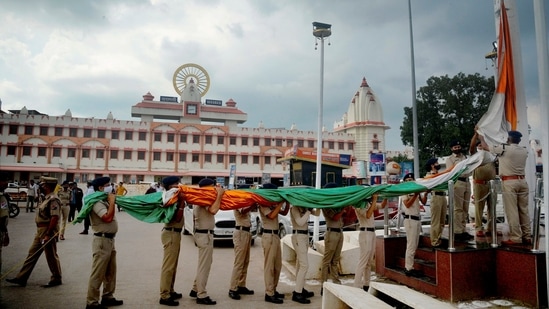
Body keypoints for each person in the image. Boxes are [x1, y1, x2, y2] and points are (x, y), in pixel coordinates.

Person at [6, 176, 62, 288]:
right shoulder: (46, 198)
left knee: (50, 255)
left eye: (42, 184)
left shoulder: (53, 199)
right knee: (32, 253)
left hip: (47, 231)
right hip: (40, 231)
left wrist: (48, 234)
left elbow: (54, 218)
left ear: (47, 186)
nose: (40, 186)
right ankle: (21, 278)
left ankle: (56, 278)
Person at [479, 130, 531, 246]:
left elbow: (485, 147)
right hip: (522, 180)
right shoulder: (524, 150)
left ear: (508, 139)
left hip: (509, 181)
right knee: (524, 210)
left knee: (512, 211)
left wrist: (481, 136)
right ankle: (527, 235)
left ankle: (516, 237)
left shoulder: (504, 148)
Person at [85, 176, 123, 309]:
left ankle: (108, 296)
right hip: (102, 240)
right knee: (98, 272)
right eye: (108, 185)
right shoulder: (97, 202)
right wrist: (112, 202)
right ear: (101, 188)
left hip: (109, 240)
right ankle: (92, 302)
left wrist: (111, 201)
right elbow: (106, 217)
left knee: (110, 271)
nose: (110, 187)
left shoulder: (103, 200)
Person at [189, 178, 225, 305]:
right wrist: (220, 195)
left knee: (203, 264)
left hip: (203, 234)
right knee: (204, 266)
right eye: (213, 186)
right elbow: (213, 210)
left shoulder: (201, 197)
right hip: (204, 235)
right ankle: (201, 294)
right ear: (206, 188)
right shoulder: (203, 197)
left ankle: (195, 289)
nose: (215, 188)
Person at [259, 183, 289, 304]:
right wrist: (280, 204)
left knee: (277, 265)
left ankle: (274, 289)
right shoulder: (263, 203)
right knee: (269, 266)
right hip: (268, 235)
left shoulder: (272, 204)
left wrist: (286, 203)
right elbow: (271, 216)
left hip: (275, 235)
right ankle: (269, 292)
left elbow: (284, 213)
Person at [158, 176, 186, 306]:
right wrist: (181, 204)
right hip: (171, 233)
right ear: (170, 186)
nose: (178, 185)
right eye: (176, 183)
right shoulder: (170, 198)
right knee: (168, 267)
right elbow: (175, 218)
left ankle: (170, 290)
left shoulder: (173, 195)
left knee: (173, 266)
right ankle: (164, 295)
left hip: (175, 234)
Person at [354, 194, 386, 291]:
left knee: (369, 261)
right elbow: (368, 215)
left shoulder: (368, 203)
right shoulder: (359, 205)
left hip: (372, 232)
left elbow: (382, 206)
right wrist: (375, 199)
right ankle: (357, 285)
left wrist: (386, 197)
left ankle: (366, 284)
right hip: (365, 232)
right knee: (363, 260)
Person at [289, 204, 319, 304]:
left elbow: (318, 214)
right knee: (304, 265)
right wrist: (308, 211)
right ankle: (297, 293)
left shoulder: (304, 207)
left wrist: (318, 205)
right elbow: (300, 222)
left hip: (304, 236)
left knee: (300, 264)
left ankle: (300, 288)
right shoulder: (294, 208)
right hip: (298, 236)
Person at [469, 132, 497, 237]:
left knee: (492, 207)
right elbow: (471, 147)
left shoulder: (491, 155)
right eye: (479, 145)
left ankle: (491, 227)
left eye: (483, 144)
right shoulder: (475, 155)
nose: (482, 146)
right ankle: (479, 227)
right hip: (479, 183)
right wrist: (476, 135)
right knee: (479, 207)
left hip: (491, 184)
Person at [321, 182, 346, 295]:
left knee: (335, 260)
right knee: (327, 260)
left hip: (339, 233)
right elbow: (335, 217)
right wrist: (342, 208)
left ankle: (336, 282)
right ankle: (324, 284)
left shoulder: (336, 203)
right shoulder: (326, 204)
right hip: (332, 233)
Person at [444, 139, 472, 241]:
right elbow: (451, 171)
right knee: (458, 208)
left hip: (467, 181)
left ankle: (463, 229)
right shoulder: (450, 159)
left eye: (458, 147)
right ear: (451, 149)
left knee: (465, 208)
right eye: (455, 147)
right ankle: (457, 231)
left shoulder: (464, 157)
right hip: (458, 182)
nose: (457, 149)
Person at [228, 203, 256, 300]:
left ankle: (241, 285)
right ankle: (233, 288)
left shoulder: (245, 203)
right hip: (240, 232)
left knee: (245, 261)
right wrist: (253, 203)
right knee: (239, 262)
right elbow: (243, 211)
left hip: (246, 232)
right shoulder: (238, 203)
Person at [401, 173, 427, 277]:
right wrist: (415, 194)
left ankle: (410, 266)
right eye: (407, 180)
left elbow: (423, 202)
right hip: (410, 220)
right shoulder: (404, 191)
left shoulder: (415, 190)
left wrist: (425, 193)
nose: (409, 181)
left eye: (411, 179)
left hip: (416, 219)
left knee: (415, 244)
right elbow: (407, 204)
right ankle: (408, 268)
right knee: (411, 245)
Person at [425, 158, 448, 248]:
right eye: (436, 163)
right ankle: (434, 241)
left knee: (442, 220)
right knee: (436, 221)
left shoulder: (440, 174)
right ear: (432, 165)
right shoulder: (429, 175)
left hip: (443, 196)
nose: (438, 164)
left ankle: (439, 238)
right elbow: (428, 186)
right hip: (436, 196)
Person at [0, 171, 10, 273]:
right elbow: (2, 219)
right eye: (5, 180)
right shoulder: (2, 198)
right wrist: (6, 233)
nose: (6, 183)